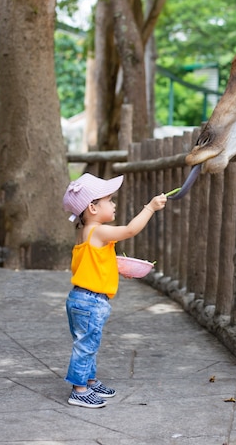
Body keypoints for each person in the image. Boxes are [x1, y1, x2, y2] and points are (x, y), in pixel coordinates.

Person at [62, 172, 167, 409]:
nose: (114, 203)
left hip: (83, 299)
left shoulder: (86, 233)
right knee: (86, 345)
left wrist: (116, 266)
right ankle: (79, 390)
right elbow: (130, 230)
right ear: (92, 208)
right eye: (109, 200)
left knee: (89, 343)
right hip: (89, 301)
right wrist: (150, 208)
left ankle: (89, 380)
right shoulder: (97, 231)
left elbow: (94, 262)